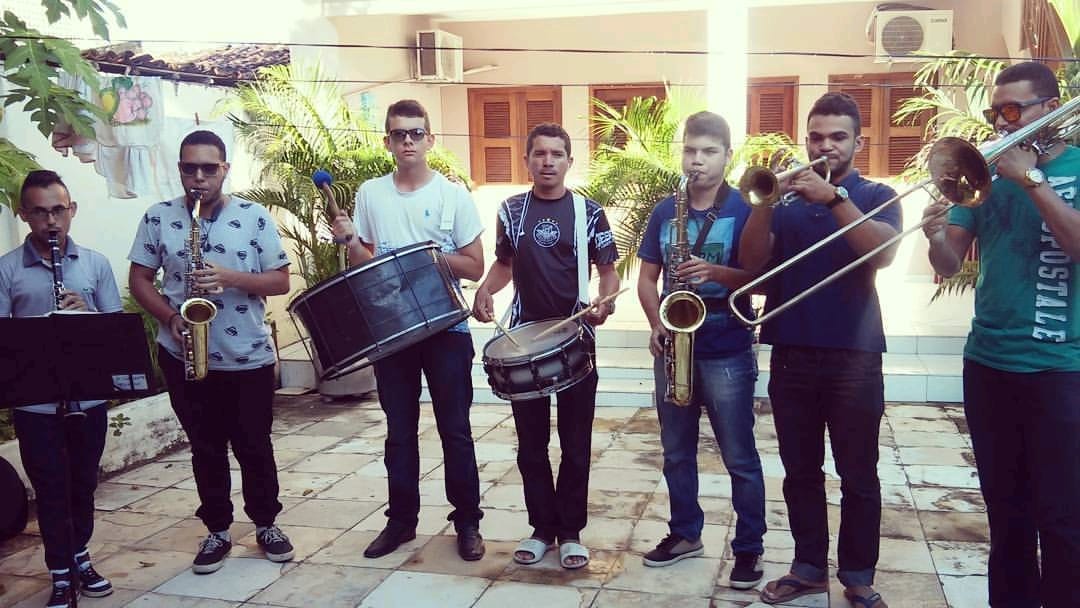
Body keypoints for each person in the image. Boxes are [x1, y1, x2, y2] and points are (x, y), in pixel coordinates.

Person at [922, 61, 1079, 608]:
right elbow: (948, 263)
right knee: (1006, 515)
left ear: (1050, 108)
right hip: (989, 364)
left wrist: (1031, 180)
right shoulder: (985, 177)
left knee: (1062, 516)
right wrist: (934, 235)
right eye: (996, 113)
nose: (1002, 123)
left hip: (1061, 370)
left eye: (1013, 110)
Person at [739, 92, 902, 608]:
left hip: (855, 356)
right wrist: (764, 204)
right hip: (791, 352)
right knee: (801, 472)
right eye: (815, 137)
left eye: (837, 137)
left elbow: (882, 253)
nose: (824, 146)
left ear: (859, 142)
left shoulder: (877, 193)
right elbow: (753, 264)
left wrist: (833, 198)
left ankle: (858, 574)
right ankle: (808, 567)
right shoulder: (786, 202)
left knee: (859, 474)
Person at [128, 130, 294, 574]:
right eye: (190, 168)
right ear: (180, 170)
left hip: (247, 355)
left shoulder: (254, 216)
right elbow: (139, 279)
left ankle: (266, 523)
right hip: (182, 353)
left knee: (254, 446)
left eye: (208, 168)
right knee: (205, 447)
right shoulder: (158, 217)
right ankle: (217, 529)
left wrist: (231, 277)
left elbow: (281, 280)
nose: (199, 177)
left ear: (224, 169)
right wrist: (170, 317)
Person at [331, 99, 486, 561]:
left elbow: (474, 265)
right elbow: (365, 263)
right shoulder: (371, 194)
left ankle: (468, 523)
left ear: (430, 139)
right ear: (388, 142)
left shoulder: (453, 196)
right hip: (391, 330)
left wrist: (425, 257)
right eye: (399, 134)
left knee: (455, 430)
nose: (408, 141)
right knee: (399, 432)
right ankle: (401, 522)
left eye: (416, 133)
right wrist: (350, 241)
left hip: (446, 328)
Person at [473, 122, 620, 569]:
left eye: (557, 154)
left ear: (570, 161)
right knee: (530, 446)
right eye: (539, 153)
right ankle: (541, 529)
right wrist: (485, 290)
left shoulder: (588, 212)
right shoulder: (511, 210)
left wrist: (605, 301)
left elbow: (608, 271)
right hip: (523, 345)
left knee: (575, 444)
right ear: (527, 161)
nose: (548, 161)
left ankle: (571, 532)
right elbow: (504, 264)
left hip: (577, 340)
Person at [635, 111, 767, 588]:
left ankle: (748, 548)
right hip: (674, 346)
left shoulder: (745, 208)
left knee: (739, 457)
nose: (697, 160)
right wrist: (656, 323)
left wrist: (713, 273)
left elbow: (761, 278)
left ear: (727, 156)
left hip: (727, 347)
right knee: (675, 452)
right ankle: (685, 533)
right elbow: (646, 278)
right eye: (690, 150)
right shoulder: (664, 211)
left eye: (709, 152)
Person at [0, 170, 121, 607]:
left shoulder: (95, 264)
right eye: (40, 212)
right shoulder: (6, 269)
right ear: (24, 214)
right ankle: (60, 572)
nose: (51, 221)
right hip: (36, 404)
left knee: (83, 485)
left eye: (58, 210)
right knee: (50, 489)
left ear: (72, 210)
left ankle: (81, 556)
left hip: (87, 398)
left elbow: (115, 331)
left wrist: (86, 314)